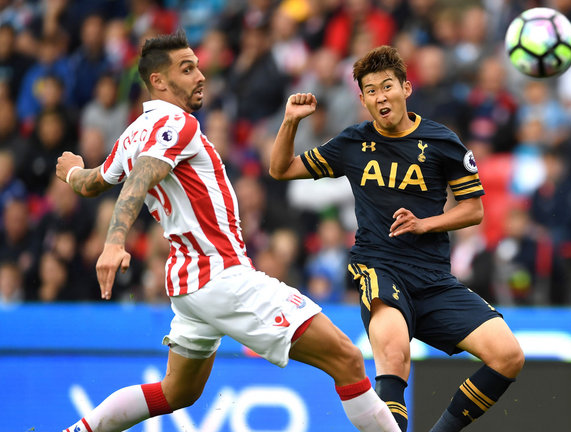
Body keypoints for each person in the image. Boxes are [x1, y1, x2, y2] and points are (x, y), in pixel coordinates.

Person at [55, 31, 398, 432]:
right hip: (220, 274)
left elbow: (96, 181)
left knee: (175, 393)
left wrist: (73, 172)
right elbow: (140, 179)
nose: (200, 75)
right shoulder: (176, 122)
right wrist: (114, 242)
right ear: (159, 82)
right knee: (347, 358)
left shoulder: (133, 133)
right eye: (187, 69)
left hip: (187, 283)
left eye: (198, 65)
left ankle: (81, 430)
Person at [270, 45, 525, 432]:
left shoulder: (442, 142)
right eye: (370, 90)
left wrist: (425, 223)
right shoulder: (352, 143)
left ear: (406, 88)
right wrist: (291, 122)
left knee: (508, 356)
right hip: (380, 268)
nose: (380, 96)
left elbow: (473, 210)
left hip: (435, 279)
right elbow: (281, 168)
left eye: (387, 86)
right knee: (393, 355)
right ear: (362, 99)